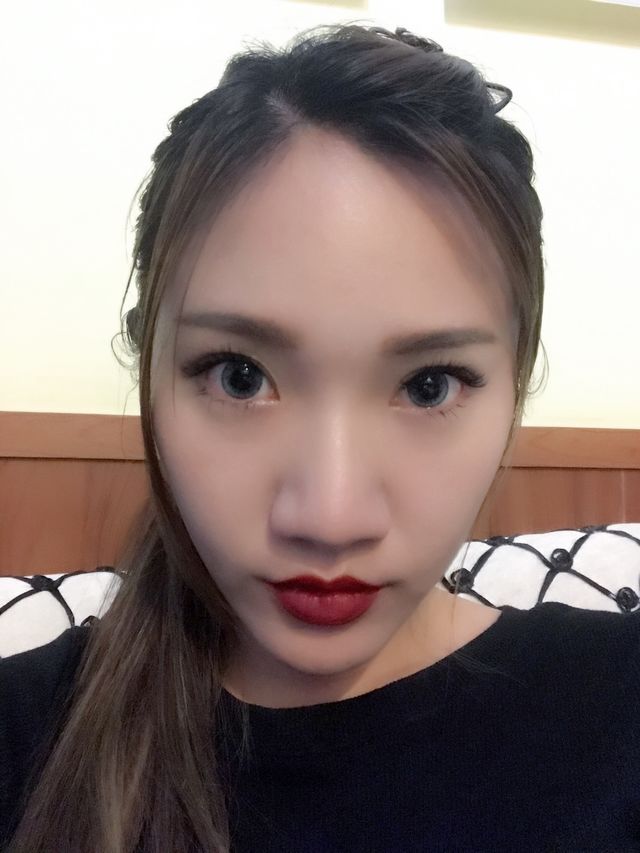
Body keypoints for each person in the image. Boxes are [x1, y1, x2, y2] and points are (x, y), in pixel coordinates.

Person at [1, 21, 639, 853]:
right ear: (147, 367)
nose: (330, 517)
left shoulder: (620, 706)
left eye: (429, 384)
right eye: (238, 376)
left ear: (514, 386)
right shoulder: (22, 735)